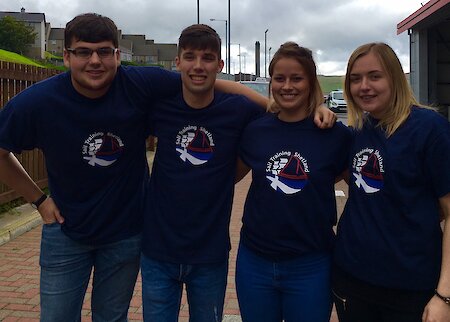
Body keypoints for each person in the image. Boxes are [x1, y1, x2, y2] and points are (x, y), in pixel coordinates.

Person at [0, 13, 266, 321]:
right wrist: (40, 200)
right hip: (66, 232)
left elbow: (210, 84)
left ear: (117, 55)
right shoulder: (40, 101)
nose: (94, 61)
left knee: (112, 318)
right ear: (66, 56)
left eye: (103, 51)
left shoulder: (139, 83)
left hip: (125, 233)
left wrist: (277, 106)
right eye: (83, 52)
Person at [140, 27, 336, 322]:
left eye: (207, 58)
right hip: (158, 250)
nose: (198, 65)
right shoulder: (160, 105)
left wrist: (316, 104)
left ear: (220, 66)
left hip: (211, 253)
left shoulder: (239, 113)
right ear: (177, 62)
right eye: (190, 57)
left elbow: (281, 110)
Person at [234, 42, 351, 322]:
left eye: (297, 78)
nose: (288, 86)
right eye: (280, 78)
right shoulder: (255, 131)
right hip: (255, 262)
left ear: (311, 82)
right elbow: (227, 178)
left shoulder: (335, 135)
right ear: (271, 81)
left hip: (312, 265)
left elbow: (356, 187)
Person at [332, 42, 450, 322]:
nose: (364, 86)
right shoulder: (357, 131)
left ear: (395, 78)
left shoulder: (430, 129)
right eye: (355, 79)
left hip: (412, 289)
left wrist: (444, 295)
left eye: (375, 76)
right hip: (352, 281)